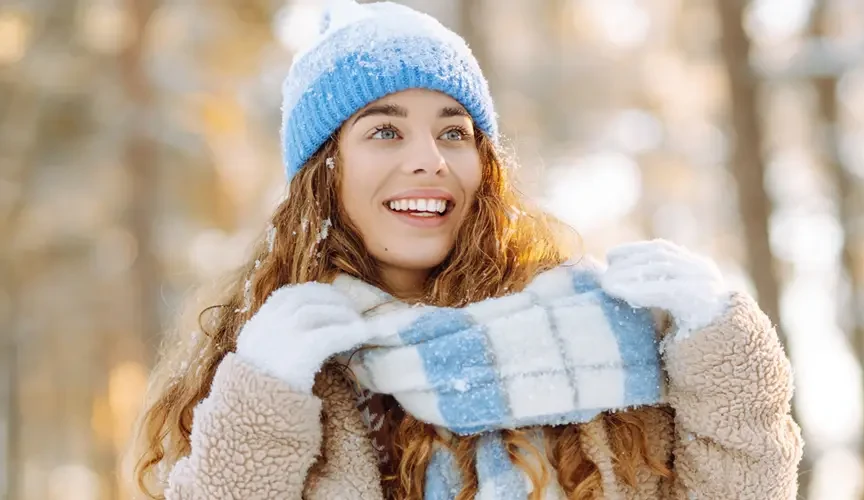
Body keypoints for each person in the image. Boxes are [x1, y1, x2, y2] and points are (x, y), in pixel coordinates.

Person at [128, 1, 803, 498]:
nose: (430, 161)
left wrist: (722, 347)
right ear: (323, 172)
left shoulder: (589, 331)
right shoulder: (283, 366)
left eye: (453, 133)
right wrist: (261, 404)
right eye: (385, 133)